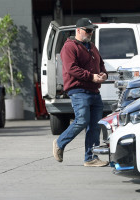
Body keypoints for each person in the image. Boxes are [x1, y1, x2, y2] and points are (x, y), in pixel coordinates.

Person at [53, 18, 109, 167]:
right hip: (79, 91)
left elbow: (101, 64)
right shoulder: (69, 47)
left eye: (92, 30)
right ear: (78, 30)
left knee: (95, 125)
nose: (90, 33)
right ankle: (59, 142)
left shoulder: (92, 46)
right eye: (88, 30)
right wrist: (91, 76)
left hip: (94, 91)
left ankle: (91, 158)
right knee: (82, 120)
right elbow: (72, 68)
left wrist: (104, 74)